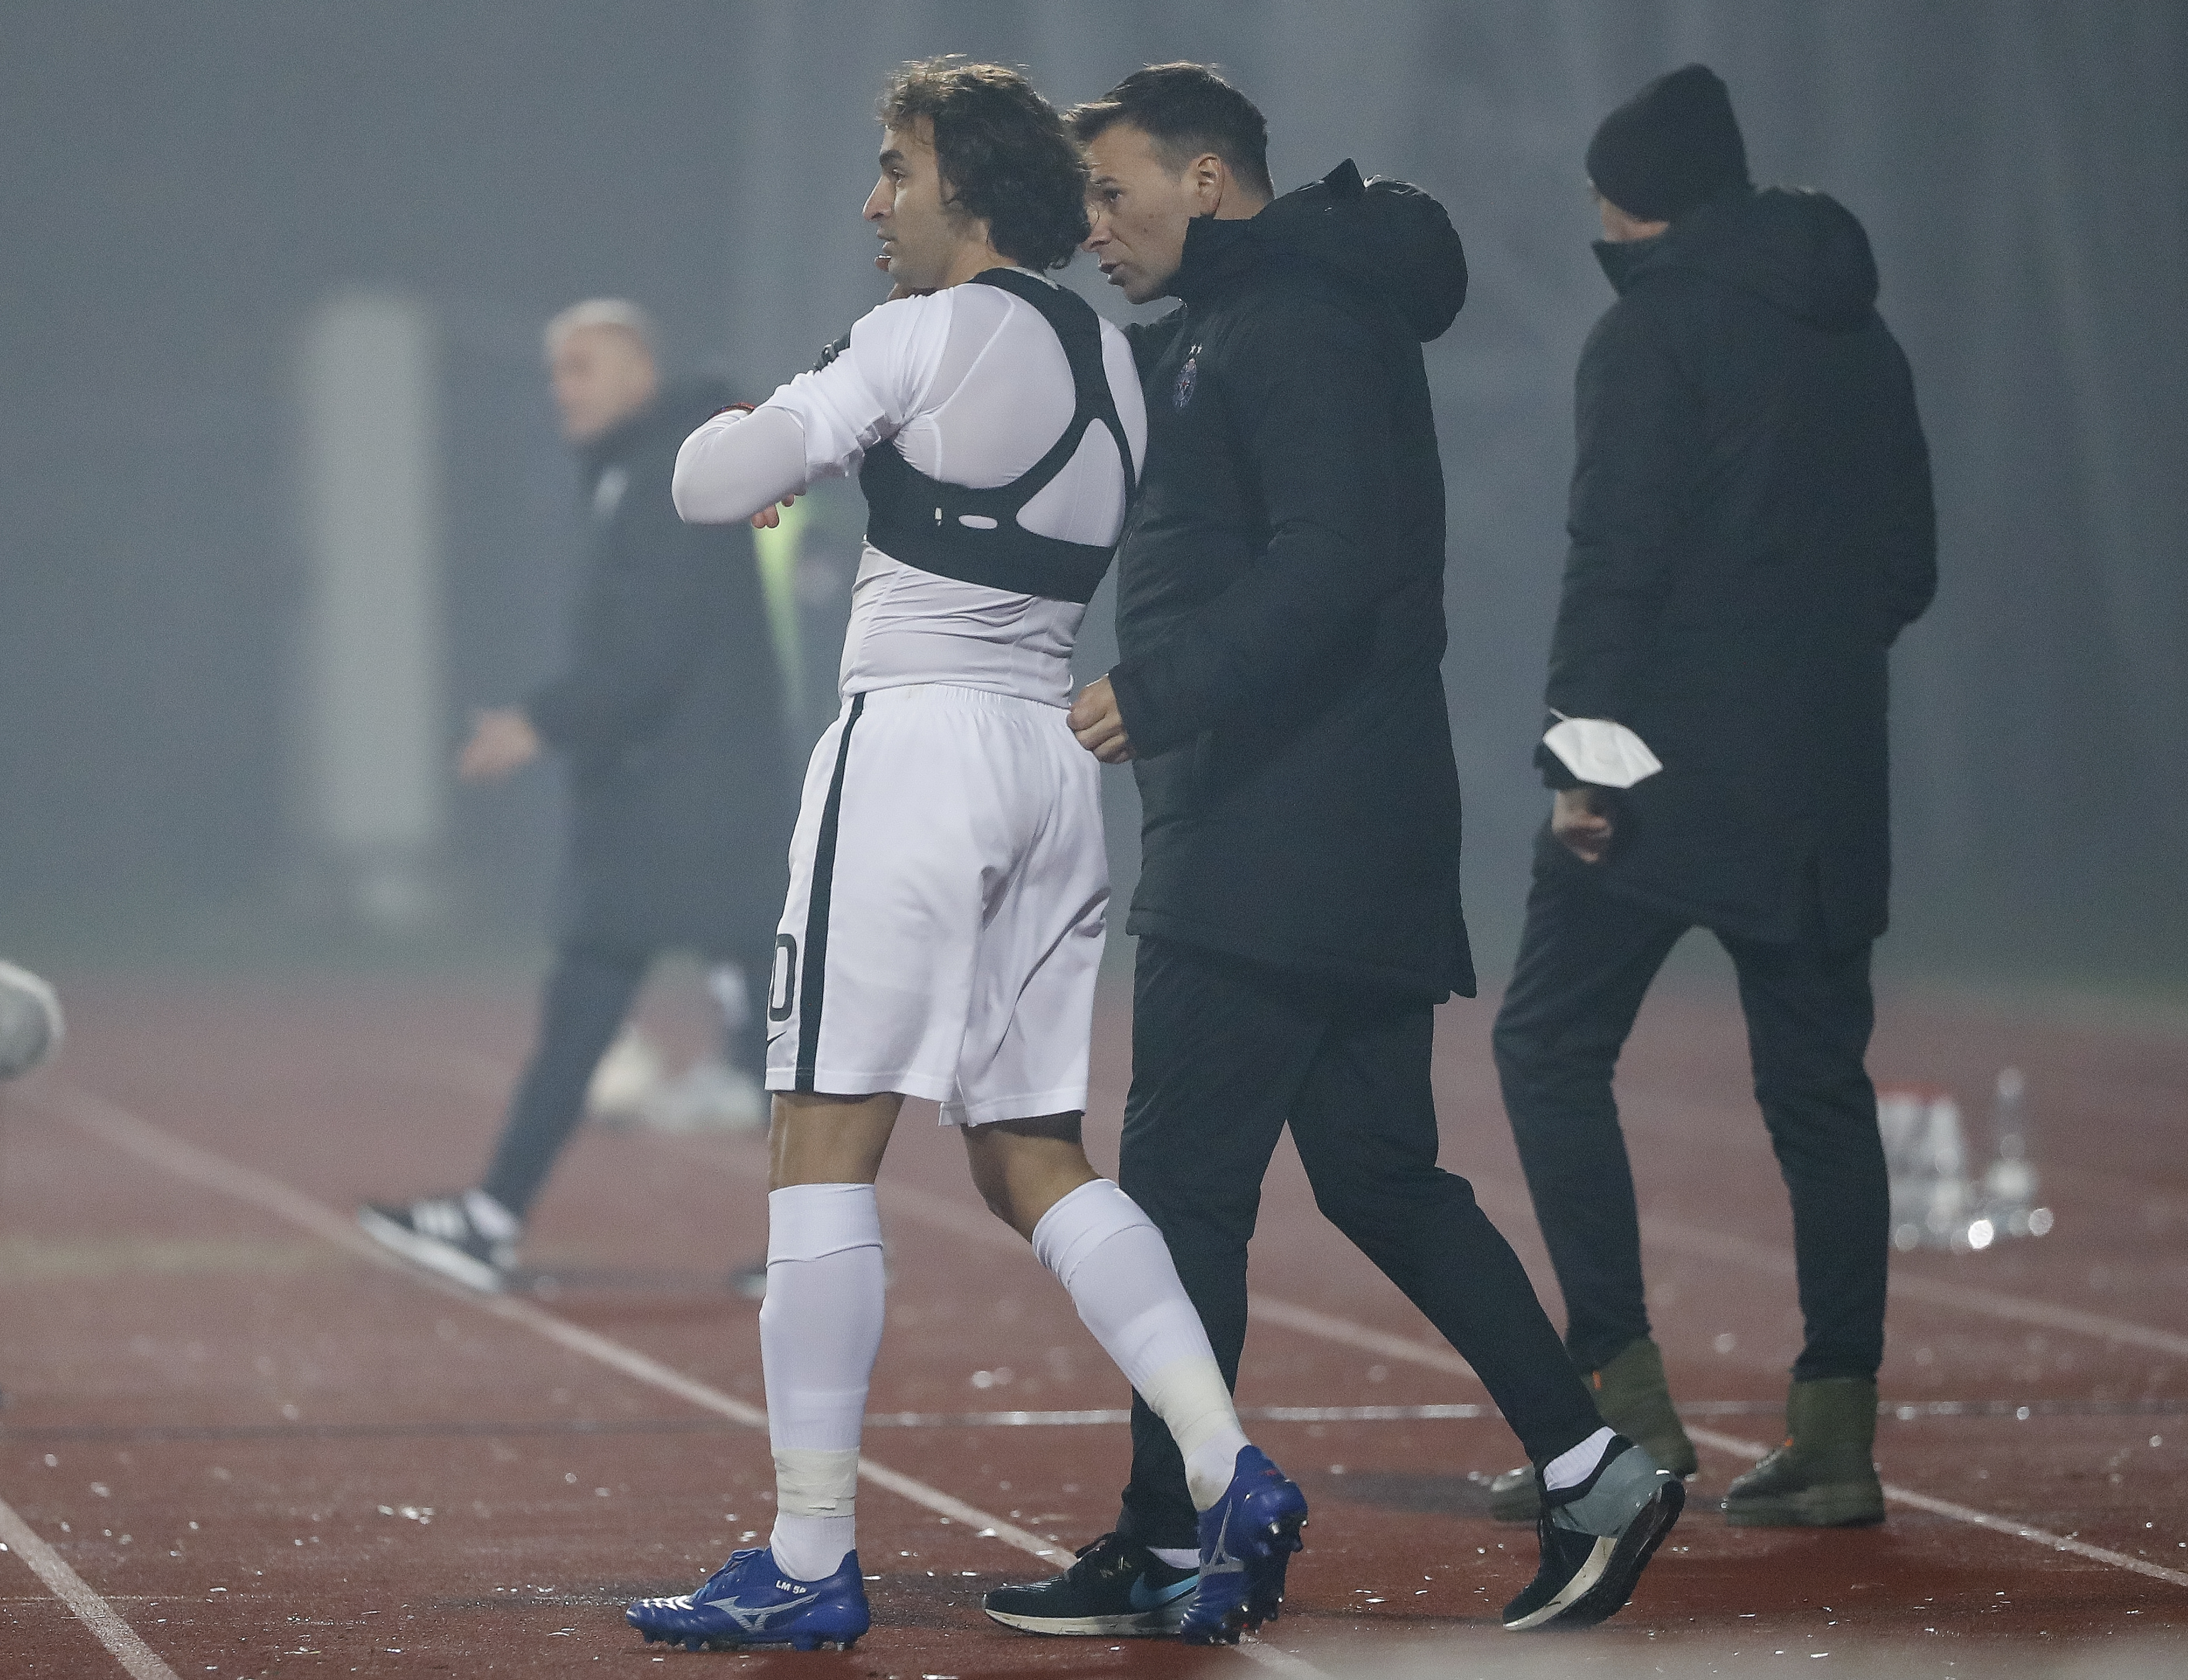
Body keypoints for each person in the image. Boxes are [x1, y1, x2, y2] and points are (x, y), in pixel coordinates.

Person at [981, 64, 1680, 1640]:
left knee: (1180, 1197)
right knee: (1379, 1174)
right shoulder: (1230, 325)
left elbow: (1339, 560)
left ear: (1206, 179)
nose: (1092, 228)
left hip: (1280, 834)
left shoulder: (1294, 321)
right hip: (1324, 829)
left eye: (1112, 193)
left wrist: (1159, 689)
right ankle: (1594, 1468)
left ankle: (1171, 1537)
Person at [622, 60, 1305, 1655]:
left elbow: (706, 481)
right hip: (1050, 765)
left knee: (818, 1139)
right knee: (1031, 1152)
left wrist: (776, 424)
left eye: (896, 168)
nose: (874, 202)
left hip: (914, 751)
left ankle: (809, 1555)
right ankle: (1227, 1463)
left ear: (970, 186)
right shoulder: (1117, 360)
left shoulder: (913, 333)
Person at [1485, 64, 1936, 1530]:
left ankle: (1624, 1412)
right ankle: (1836, 1437)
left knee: (1548, 1045)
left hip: (1660, 774)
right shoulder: (1862, 334)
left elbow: (1613, 559)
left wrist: (1581, 758)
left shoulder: (1647, 332)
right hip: (1827, 774)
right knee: (1820, 1098)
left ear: (1639, 201)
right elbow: (1907, 569)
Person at [360, 300, 794, 1294]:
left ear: (641, 369)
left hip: (695, 809)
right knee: (624, 1011)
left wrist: (540, 722)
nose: (562, 390)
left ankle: (823, 1246)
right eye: (556, 371)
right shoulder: (641, 467)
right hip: (676, 802)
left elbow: (652, 651)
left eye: (582, 368)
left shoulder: (669, 470)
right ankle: (493, 1216)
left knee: (760, 1044)